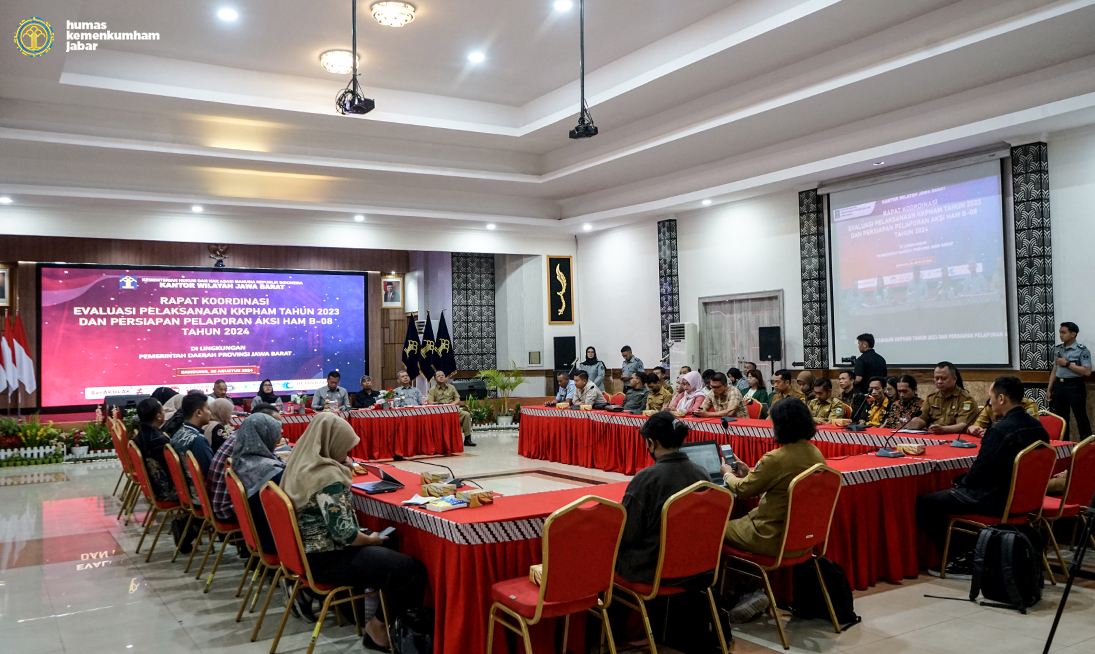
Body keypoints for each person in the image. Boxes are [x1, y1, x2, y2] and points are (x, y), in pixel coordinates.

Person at [281, 413, 425, 649]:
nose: (348, 455)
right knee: (409, 569)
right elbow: (345, 534)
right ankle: (376, 627)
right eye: (345, 449)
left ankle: (366, 614)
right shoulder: (327, 476)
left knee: (389, 546)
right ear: (332, 444)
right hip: (326, 557)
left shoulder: (300, 464)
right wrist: (371, 540)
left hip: (304, 554)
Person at [916, 376, 1050, 577]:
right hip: (1027, 501)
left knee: (925, 503)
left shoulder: (999, 430)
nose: (990, 402)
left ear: (1002, 398)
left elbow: (979, 473)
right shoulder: (1039, 428)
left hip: (994, 500)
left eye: (991, 398)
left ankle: (961, 558)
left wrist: (960, 483)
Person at [721, 399, 826, 621]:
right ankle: (750, 591)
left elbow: (744, 490)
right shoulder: (815, 454)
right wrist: (749, 471)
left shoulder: (776, 458)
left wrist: (726, 474)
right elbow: (772, 483)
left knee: (716, 530)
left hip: (769, 535)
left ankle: (733, 595)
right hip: (803, 538)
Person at [616, 412, 710, 586]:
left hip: (652, 568)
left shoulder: (645, 480)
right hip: (697, 564)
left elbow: (627, 535)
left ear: (651, 442)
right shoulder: (702, 473)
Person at [207, 404, 282, 527]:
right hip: (230, 510)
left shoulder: (244, 437)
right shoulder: (252, 454)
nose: (281, 432)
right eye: (276, 428)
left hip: (222, 503)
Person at [232, 407, 286, 555]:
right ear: (264, 435)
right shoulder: (271, 473)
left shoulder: (241, 460)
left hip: (256, 536)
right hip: (277, 542)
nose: (278, 438)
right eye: (275, 434)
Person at [169, 392, 214, 554]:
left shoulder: (178, 433)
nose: (210, 412)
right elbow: (211, 473)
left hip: (187, 491)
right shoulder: (197, 440)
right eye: (208, 408)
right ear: (199, 412)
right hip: (201, 495)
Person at [1047, 322, 1092, 442]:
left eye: (1063, 332)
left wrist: (1067, 364)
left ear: (1073, 334)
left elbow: (1087, 371)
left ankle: (1087, 446)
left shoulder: (1082, 350)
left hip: (1074, 385)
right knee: (1061, 418)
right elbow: (1055, 369)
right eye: (1060, 332)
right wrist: (1049, 388)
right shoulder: (1058, 349)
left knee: (1080, 416)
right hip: (1059, 386)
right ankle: (1064, 444)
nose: (1060, 335)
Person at [906, 362, 978, 434]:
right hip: (933, 436)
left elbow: (964, 425)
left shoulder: (966, 399)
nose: (939, 382)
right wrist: (910, 423)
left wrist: (944, 429)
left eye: (943, 378)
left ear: (954, 379)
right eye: (937, 378)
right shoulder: (931, 398)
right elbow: (922, 419)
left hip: (955, 438)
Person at [132, 398, 176, 503]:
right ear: (158, 416)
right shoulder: (158, 440)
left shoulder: (140, 436)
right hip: (167, 491)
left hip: (153, 487)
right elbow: (174, 468)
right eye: (162, 411)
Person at [427, 370, 475, 447]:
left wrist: (451, 405)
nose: (441, 377)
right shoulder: (432, 390)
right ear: (435, 379)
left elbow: (457, 399)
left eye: (443, 375)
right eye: (439, 376)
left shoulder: (451, 387)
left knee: (466, 415)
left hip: (452, 410)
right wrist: (441, 405)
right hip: (440, 412)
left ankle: (467, 439)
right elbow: (430, 402)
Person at [969, 394, 1039, 437]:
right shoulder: (991, 405)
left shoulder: (1028, 405)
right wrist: (974, 429)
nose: (990, 400)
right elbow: (978, 425)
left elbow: (1029, 429)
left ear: (1001, 397)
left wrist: (993, 433)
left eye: (991, 396)